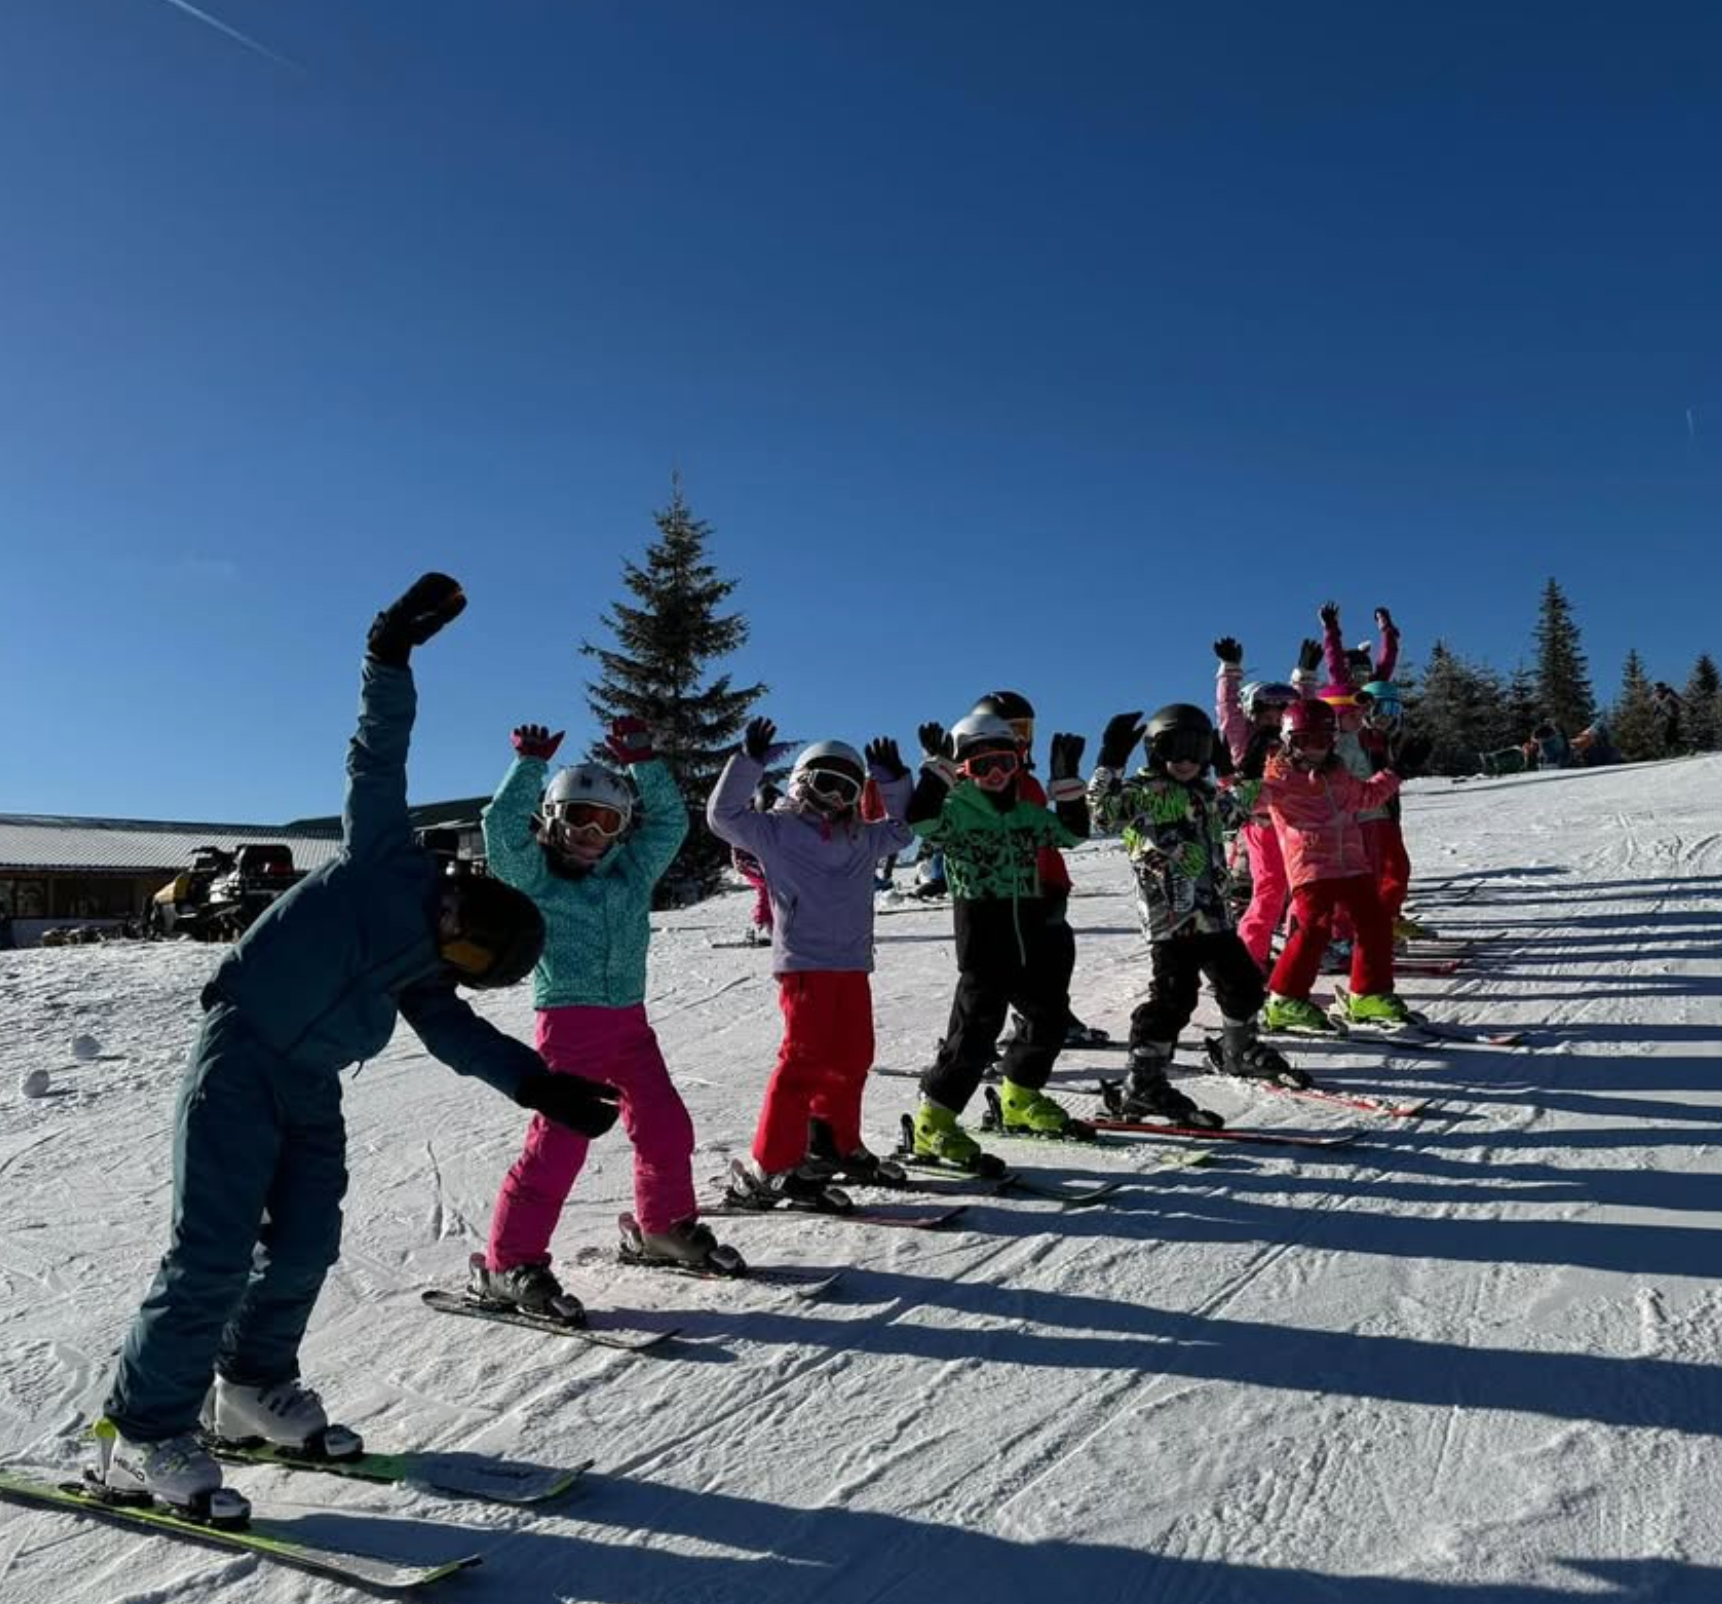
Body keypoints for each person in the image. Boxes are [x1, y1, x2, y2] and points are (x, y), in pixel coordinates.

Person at [94, 575, 609, 1524]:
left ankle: (250, 1388)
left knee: (305, 1243)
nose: (450, 934)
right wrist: (388, 657)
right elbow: (379, 754)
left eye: (466, 953)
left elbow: (457, 1035)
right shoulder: (384, 857)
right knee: (211, 1254)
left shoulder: (426, 973)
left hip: (310, 1086)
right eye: (465, 922)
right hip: (239, 1059)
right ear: (468, 893)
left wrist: (539, 1083)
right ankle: (142, 1434)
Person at [471, 711, 740, 1302]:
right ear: (553, 818)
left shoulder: (631, 875)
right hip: (570, 1028)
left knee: (667, 1126)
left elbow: (669, 822)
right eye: (578, 817)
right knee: (560, 1145)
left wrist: (644, 764)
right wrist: (528, 767)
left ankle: (663, 1226)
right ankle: (509, 1263)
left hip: (631, 1026)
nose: (591, 832)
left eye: (607, 821)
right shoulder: (535, 879)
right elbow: (500, 829)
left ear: (620, 831)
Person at [707, 719, 915, 1202]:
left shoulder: (862, 836)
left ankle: (833, 1143)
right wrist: (747, 764)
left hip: (852, 964)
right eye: (826, 783)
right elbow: (722, 816)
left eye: (847, 789)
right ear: (801, 782)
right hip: (805, 965)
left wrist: (893, 783)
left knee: (853, 1056)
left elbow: (904, 831)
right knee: (803, 1062)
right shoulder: (775, 830)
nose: (835, 798)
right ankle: (773, 1164)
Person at [1089, 705, 1305, 1124]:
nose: (1187, 760)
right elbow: (1101, 814)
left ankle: (1237, 1050)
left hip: (1214, 915)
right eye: (1176, 749)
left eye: (1197, 750)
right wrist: (1109, 763)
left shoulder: (1206, 794)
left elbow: (1239, 809)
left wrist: (1244, 770)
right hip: (1170, 921)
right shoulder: (1141, 793)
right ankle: (1142, 1083)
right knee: (1175, 998)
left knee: (1244, 983)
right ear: (1155, 751)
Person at [906, 711, 1089, 1168]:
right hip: (983, 936)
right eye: (981, 764)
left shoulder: (1026, 814)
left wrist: (1066, 782)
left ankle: (1020, 1097)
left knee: (1049, 1017)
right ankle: (933, 1123)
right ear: (963, 769)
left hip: (1029, 931)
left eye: (1004, 763)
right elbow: (920, 821)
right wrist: (936, 769)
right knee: (975, 1033)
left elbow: (1072, 834)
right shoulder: (956, 811)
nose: (994, 774)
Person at [1256, 699, 1412, 1033]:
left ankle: (1369, 993)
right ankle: (1284, 999)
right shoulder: (1279, 777)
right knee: (1315, 928)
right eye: (1305, 740)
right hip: (1311, 867)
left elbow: (1367, 796)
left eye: (1323, 740)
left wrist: (1397, 770)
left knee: (1376, 922)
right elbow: (1252, 802)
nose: (1315, 748)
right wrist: (1241, 777)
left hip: (1352, 863)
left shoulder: (1338, 773)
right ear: (1288, 741)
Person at [972, 690, 1108, 1048]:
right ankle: (984, 1038)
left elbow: (1061, 831)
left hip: (1049, 882)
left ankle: (1052, 1015)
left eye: (1024, 730)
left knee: (1058, 953)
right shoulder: (982, 786)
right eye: (1010, 731)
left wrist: (1066, 783)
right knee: (1011, 965)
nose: (1019, 740)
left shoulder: (1028, 782)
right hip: (1013, 890)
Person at [1213, 637, 1300, 969]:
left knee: (1304, 890)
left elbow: (1307, 711)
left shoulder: (1294, 743)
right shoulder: (1244, 740)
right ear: (1254, 712)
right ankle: (1250, 958)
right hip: (1262, 824)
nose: (1275, 719)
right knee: (1270, 891)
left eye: (1281, 712)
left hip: (1296, 824)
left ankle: (1302, 951)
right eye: (1267, 712)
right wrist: (1230, 670)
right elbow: (1228, 711)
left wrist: (1305, 675)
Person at [733, 781, 780, 944]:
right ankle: (763, 924)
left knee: (776, 885)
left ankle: (774, 922)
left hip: (758, 859)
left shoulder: (773, 818)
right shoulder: (750, 820)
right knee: (766, 886)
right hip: (746, 861)